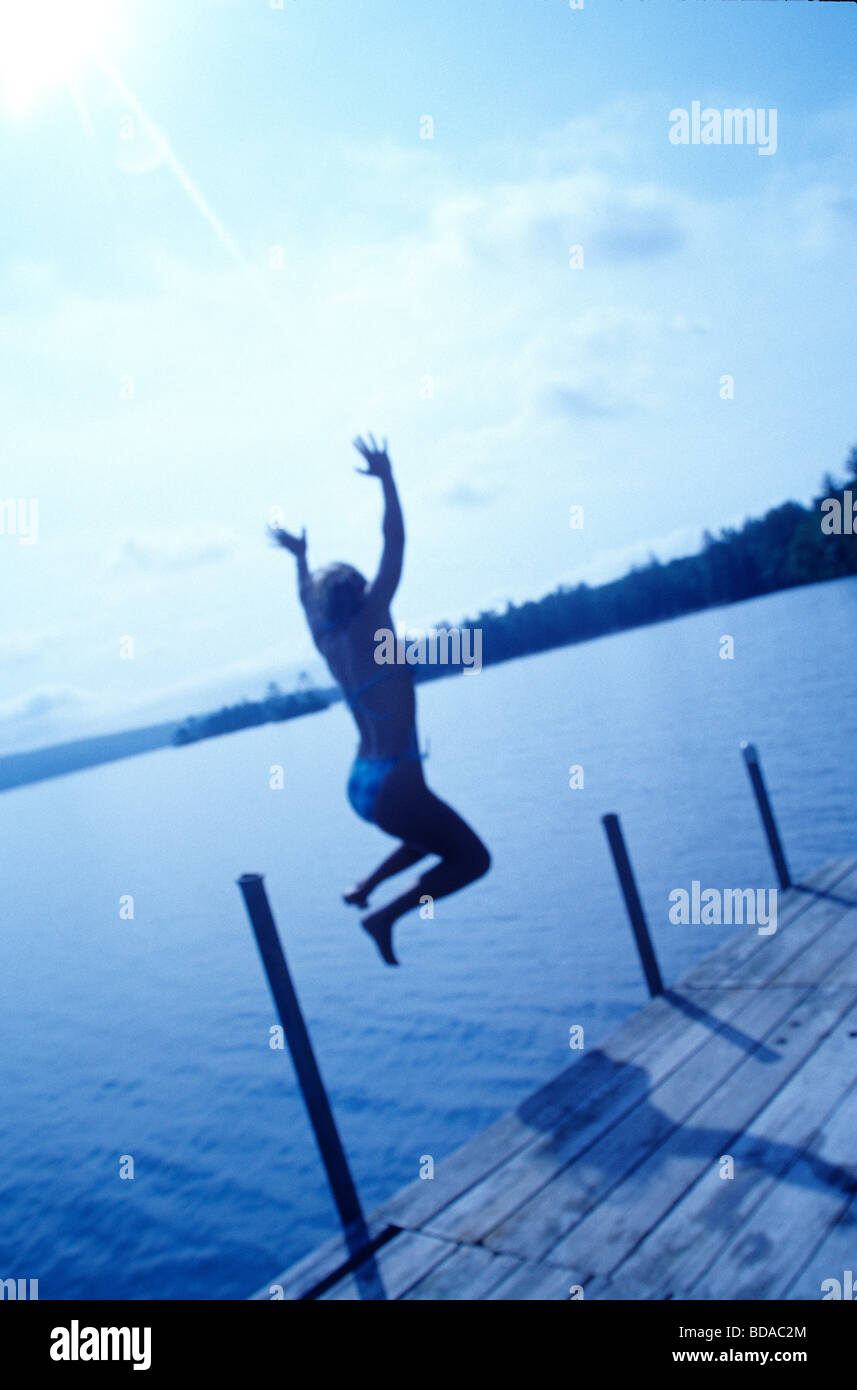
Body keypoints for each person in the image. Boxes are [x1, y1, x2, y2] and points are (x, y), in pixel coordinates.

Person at [269, 435, 490, 965]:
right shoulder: (373, 619)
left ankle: (364, 887)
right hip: (394, 777)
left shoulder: (327, 641)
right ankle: (382, 916)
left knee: (427, 834)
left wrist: (301, 559)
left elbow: (305, 599)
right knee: (472, 859)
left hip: (364, 782)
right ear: (362, 591)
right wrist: (387, 479)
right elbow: (395, 543)